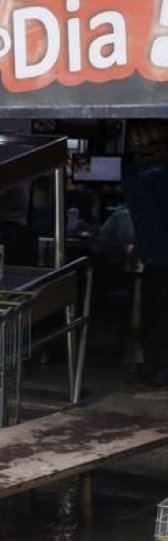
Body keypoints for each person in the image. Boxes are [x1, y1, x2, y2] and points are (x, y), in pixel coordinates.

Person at [124, 120, 168, 388]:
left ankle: (155, 366)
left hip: (155, 258)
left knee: (155, 316)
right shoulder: (152, 175)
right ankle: (156, 366)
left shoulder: (140, 175)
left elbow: (138, 212)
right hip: (156, 256)